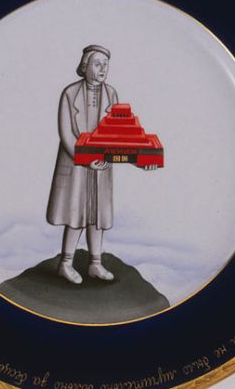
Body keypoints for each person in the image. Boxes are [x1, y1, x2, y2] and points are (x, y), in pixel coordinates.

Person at [46, 45, 157, 284]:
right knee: (75, 214)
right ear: (85, 66)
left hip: (102, 166)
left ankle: (95, 264)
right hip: (75, 164)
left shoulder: (111, 94)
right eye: (97, 64)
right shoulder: (69, 93)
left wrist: (141, 161)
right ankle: (65, 264)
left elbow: (121, 135)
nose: (103, 69)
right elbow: (65, 134)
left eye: (106, 65)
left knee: (97, 214)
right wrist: (86, 159)